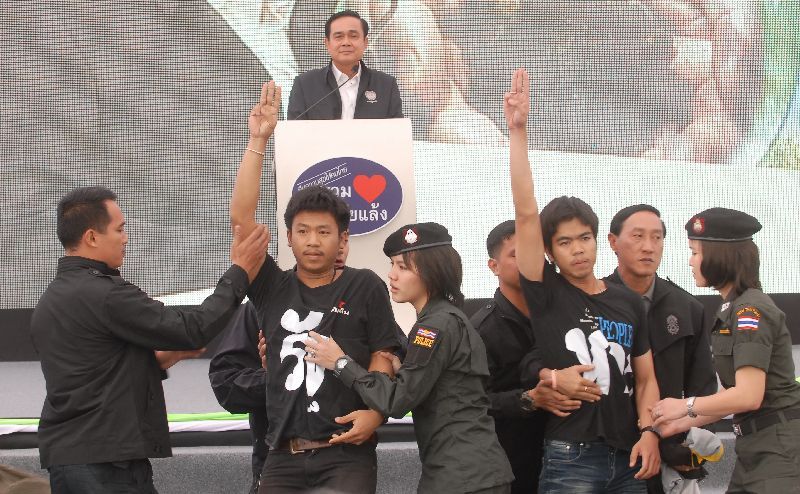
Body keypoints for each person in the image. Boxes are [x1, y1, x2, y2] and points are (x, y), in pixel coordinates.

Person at [30, 186, 269, 494]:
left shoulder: (50, 300)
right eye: (119, 229)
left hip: (71, 460)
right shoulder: (105, 294)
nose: (126, 238)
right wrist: (241, 271)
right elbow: (193, 328)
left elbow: (92, 373)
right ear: (91, 237)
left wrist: (157, 360)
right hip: (106, 467)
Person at [233, 80, 400, 494]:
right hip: (281, 456)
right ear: (288, 238)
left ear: (343, 239)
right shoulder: (271, 286)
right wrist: (258, 140)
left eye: (324, 232)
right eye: (303, 231)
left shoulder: (365, 285)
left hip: (346, 454)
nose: (312, 241)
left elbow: (384, 354)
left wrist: (376, 414)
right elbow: (241, 222)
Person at [505, 68, 661, 493]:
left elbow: (646, 379)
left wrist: (650, 432)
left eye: (585, 238)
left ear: (597, 240)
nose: (578, 249)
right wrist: (518, 132)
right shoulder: (547, 292)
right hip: (571, 456)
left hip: (629, 455)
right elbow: (525, 212)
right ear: (549, 252)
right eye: (565, 242)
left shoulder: (629, 302)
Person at [305, 222, 514, 493]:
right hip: (469, 472)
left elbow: (396, 402)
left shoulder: (434, 326)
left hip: (462, 477)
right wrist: (405, 369)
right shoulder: (446, 318)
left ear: (431, 272)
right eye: (392, 264)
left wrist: (340, 363)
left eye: (403, 267)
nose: (391, 275)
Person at [652, 207, 800, 493]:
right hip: (757, 450)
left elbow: (748, 396)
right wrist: (678, 423)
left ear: (720, 256)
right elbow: (735, 398)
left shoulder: (749, 310)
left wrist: (684, 405)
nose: (690, 261)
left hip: (779, 451)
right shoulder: (733, 308)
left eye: (695, 252)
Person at [605, 204, 717, 493]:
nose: (649, 247)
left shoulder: (688, 308)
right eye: (638, 236)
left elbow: (702, 388)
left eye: (657, 238)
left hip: (671, 455)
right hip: (607, 456)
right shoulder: (595, 303)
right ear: (613, 242)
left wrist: (687, 449)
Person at [471, 219, 576, 494]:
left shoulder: (565, 316)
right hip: (512, 464)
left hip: (571, 460)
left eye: (536, 252)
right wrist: (529, 399)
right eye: (517, 255)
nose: (531, 261)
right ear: (493, 266)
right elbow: (472, 402)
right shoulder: (481, 329)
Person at [287, 9, 403, 120]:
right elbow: (294, 130)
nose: (346, 42)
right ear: (327, 43)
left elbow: (397, 130)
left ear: (365, 42)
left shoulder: (386, 85)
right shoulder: (305, 85)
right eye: (339, 37)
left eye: (353, 36)